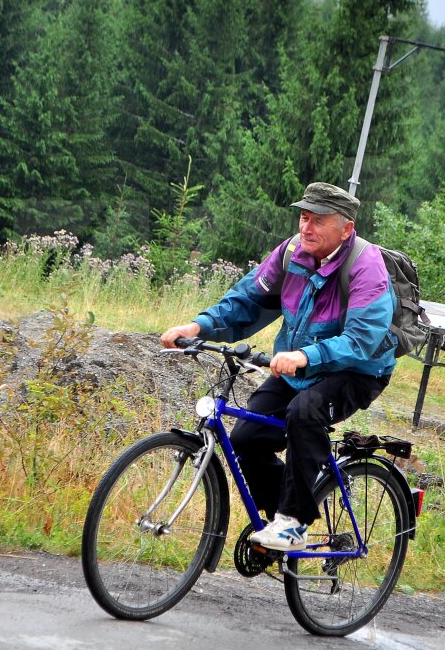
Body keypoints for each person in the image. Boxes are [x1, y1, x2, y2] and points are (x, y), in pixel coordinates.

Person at [160, 182, 397, 551]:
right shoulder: (292, 254)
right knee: (245, 438)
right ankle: (278, 525)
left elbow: (362, 340)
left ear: (346, 228)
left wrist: (306, 356)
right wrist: (197, 326)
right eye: (304, 217)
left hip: (358, 370)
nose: (306, 228)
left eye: (318, 221)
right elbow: (247, 300)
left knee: (304, 413)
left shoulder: (366, 266)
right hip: (296, 366)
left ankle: (294, 522)